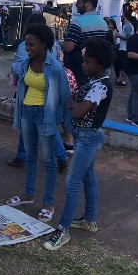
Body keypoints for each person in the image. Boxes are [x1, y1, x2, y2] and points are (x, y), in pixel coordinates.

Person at [43, 38, 114, 251]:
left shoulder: (101, 86)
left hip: (87, 139)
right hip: (84, 136)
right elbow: (75, 102)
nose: (83, 65)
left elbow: (78, 110)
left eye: (87, 62)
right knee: (88, 178)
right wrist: (75, 103)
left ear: (99, 64)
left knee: (72, 183)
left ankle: (63, 229)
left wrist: (75, 105)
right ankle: (89, 220)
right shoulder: (93, 82)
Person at [7, 23, 71, 223]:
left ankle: (48, 203)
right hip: (27, 113)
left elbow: (64, 96)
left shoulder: (54, 67)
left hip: (45, 116)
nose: (28, 48)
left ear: (44, 44)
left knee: (48, 160)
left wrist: (66, 128)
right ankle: (28, 194)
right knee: (30, 155)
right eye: (26, 44)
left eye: (31, 45)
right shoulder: (26, 62)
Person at [61, 0, 108, 85]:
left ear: (88, 4)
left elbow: (68, 47)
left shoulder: (77, 22)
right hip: (96, 70)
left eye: (79, 2)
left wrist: (60, 43)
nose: (76, 5)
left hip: (79, 70)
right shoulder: (104, 23)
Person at [115, 12, 133, 87]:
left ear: (125, 17)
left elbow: (129, 38)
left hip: (124, 49)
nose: (121, 17)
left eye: (122, 16)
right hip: (123, 48)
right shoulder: (126, 26)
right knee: (120, 65)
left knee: (122, 65)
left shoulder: (127, 26)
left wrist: (119, 36)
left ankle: (123, 80)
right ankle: (122, 80)